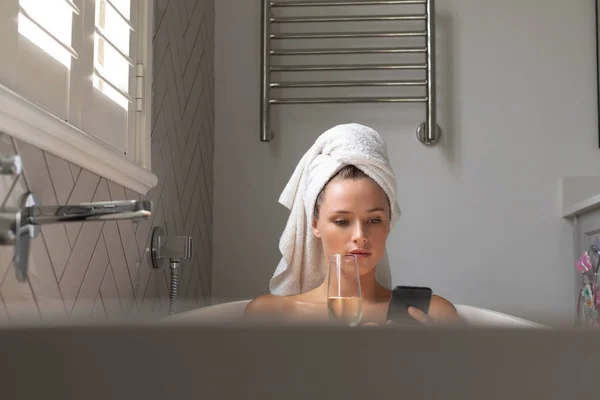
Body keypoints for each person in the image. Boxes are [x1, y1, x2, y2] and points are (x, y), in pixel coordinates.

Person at [245, 123, 460, 326]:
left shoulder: (431, 313)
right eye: (342, 221)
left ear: (389, 222)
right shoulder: (270, 315)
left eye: (374, 220)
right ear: (315, 224)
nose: (360, 235)